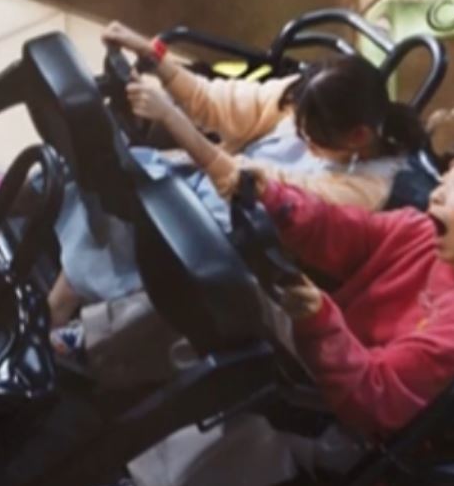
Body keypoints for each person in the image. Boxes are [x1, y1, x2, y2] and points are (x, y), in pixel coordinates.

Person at [69, 138, 454, 486]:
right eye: (444, 181)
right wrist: (273, 197)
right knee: (229, 289)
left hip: (365, 432)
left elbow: (376, 396)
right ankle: (93, 346)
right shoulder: (424, 235)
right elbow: (340, 231)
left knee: (283, 410)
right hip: (336, 359)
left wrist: (319, 317)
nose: (438, 194)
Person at [48, 21, 428, 372]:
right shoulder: (304, 98)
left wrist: (172, 119)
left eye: (312, 137)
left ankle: (91, 340)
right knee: (129, 174)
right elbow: (219, 101)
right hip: (210, 188)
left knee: (187, 259)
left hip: (252, 243)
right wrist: (153, 54)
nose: (301, 137)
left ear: (358, 136)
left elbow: (256, 188)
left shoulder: (364, 191)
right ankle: (57, 304)